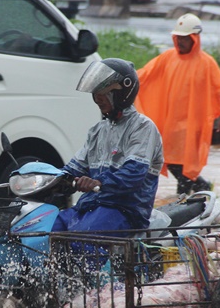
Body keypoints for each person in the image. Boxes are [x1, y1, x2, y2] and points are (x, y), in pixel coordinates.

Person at [52, 58, 163, 233]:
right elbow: (73, 169)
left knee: (79, 239)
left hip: (123, 211)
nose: (98, 99)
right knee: (47, 230)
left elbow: (133, 175)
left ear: (123, 93)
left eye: (104, 93)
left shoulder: (142, 127)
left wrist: (97, 182)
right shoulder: (97, 131)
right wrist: (51, 180)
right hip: (90, 207)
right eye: (96, 94)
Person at [135, 13, 220, 195]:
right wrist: (123, 79)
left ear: (194, 39)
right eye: (178, 37)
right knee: (169, 159)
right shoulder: (167, 57)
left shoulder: (207, 63)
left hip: (193, 124)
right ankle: (199, 189)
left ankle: (184, 200)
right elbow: (145, 74)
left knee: (185, 164)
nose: (180, 42)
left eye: (184, 38)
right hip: (171, 123)